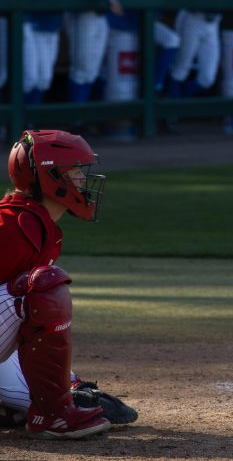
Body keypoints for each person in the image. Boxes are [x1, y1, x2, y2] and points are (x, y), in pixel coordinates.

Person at [0, 130, 110, 438]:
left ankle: (53, 403)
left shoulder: (34, 222)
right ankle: (55, 416)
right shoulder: (13, 226)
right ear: (52, 177)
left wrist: (70, 383)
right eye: (75, 170)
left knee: (32, 398)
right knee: (45, 289)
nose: (83, 180)